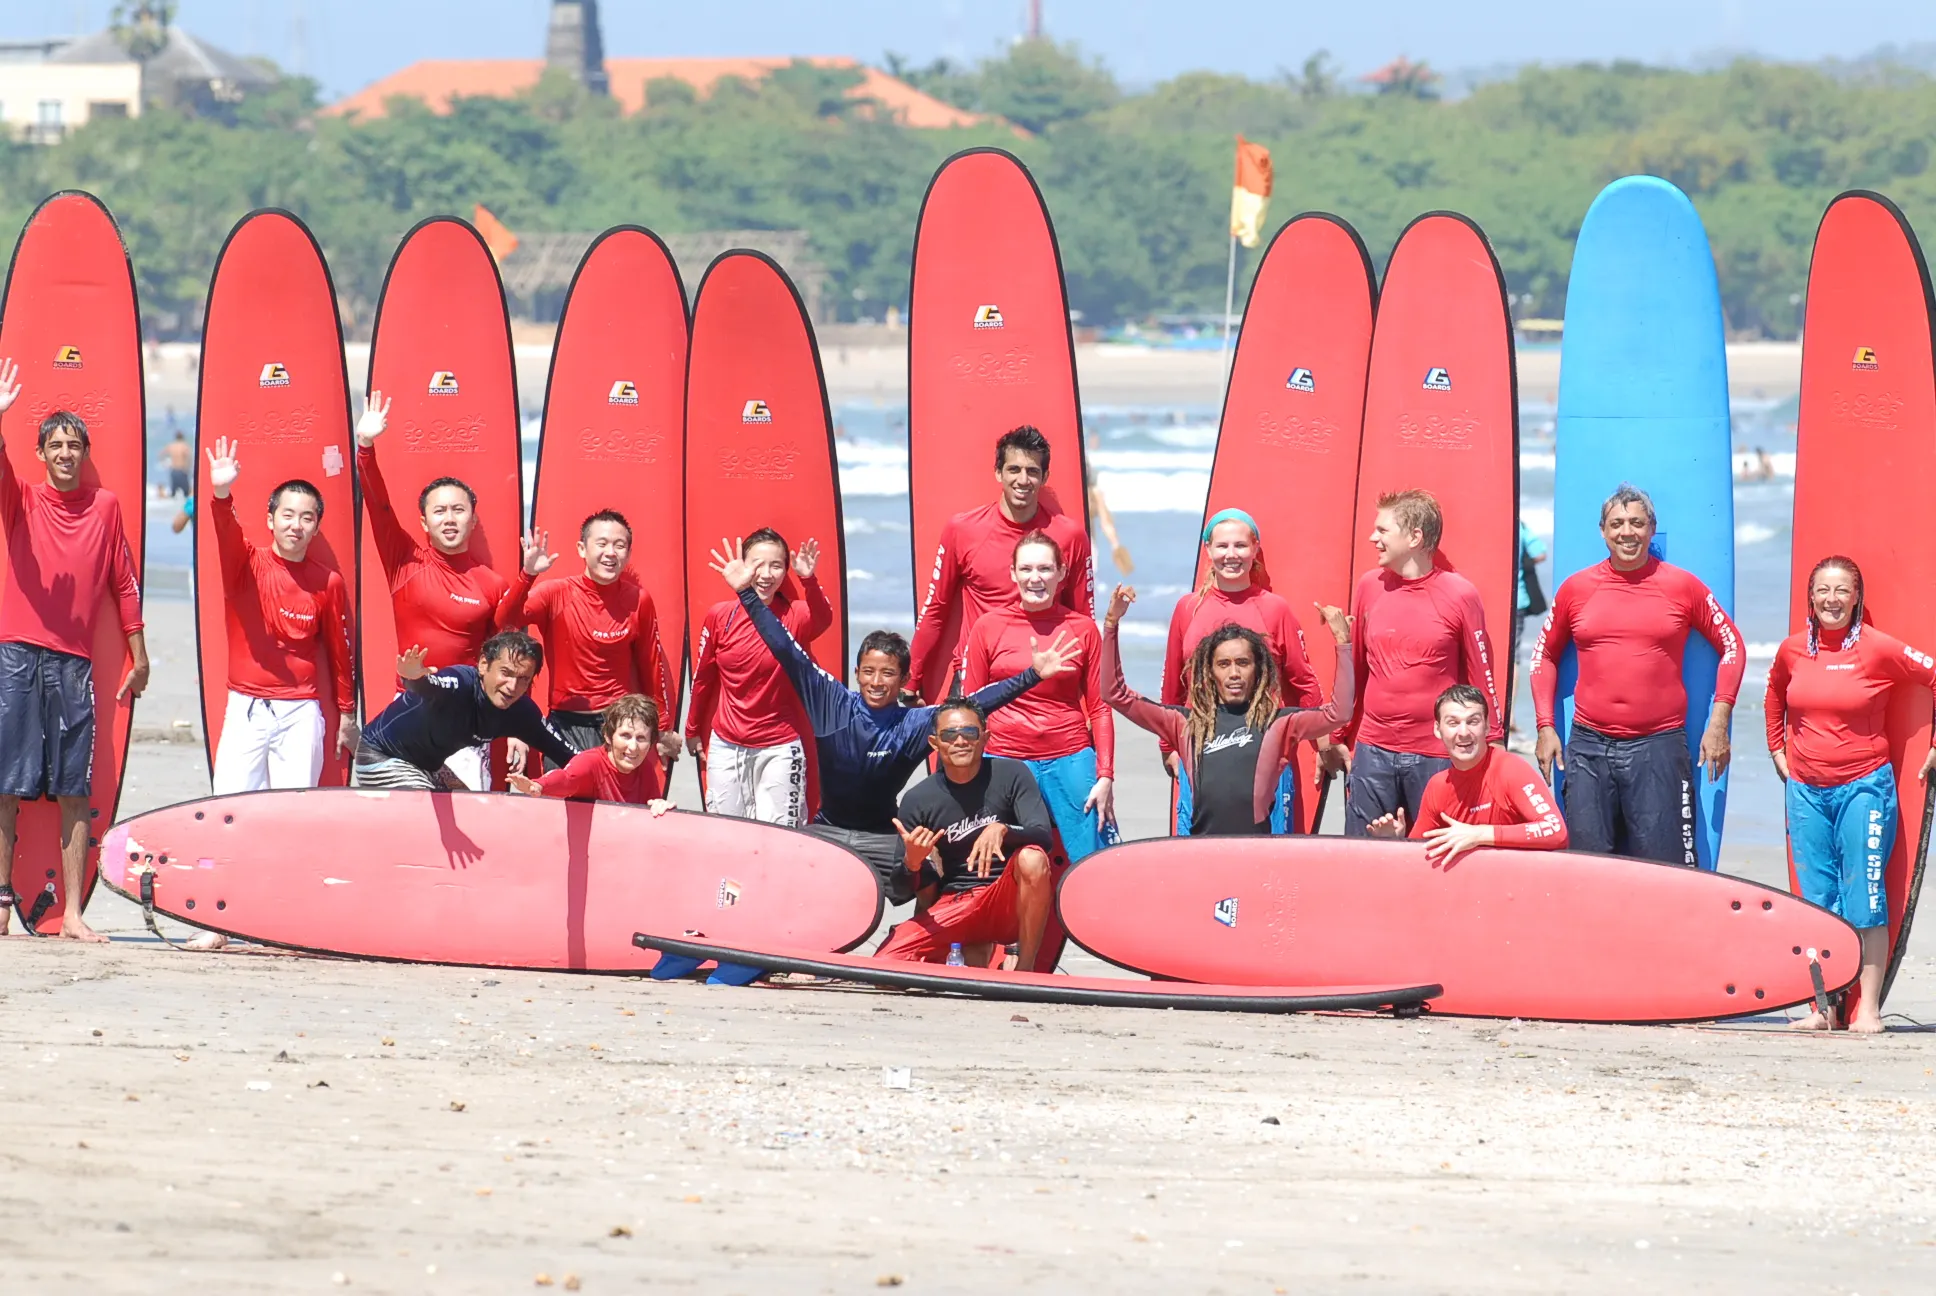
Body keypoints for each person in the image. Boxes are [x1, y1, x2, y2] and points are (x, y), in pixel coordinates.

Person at [708, 540, 1075, 902]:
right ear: (856, 674)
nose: (876, 682)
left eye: (887, 674)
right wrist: (746, 594)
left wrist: (1032, 676)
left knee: (928, 873)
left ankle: (923, 936)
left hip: (883, 836)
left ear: (903, 680)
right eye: (868, 672)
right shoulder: (831, 701)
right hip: (828, 830)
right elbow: (786, 648)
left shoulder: (912, 725)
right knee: (786, 868)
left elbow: (974, 704)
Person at [0, 360, 147, 941]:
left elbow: (124, 583)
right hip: (16, 656)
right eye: (56, 445)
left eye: (74, 445)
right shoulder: (22, 501)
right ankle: (1, 903)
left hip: (73, 663)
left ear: (85, 453)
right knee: (6, 785)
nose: (65, 453)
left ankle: (74, 915)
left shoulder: (105, 507)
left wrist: (140, 655)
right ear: (41, 453)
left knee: (73, 790)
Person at [1530, 484, 1743, 866]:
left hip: (1658, 747)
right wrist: (1546, 727)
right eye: (1617, 524)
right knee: (1586, 868)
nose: (1627, 532)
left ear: (1651, 528)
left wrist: (1719, 722)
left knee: (1666, 872)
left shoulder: (1682, 586)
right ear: (1602, 531)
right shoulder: (1576, 589)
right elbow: (1543, 655)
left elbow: (1733, 646)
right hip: (1589, 747)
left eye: (1636, 523)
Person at [1765, 556, 1936, 1033]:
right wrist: (1777, 749)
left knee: (1865, 897)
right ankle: (1824, 1008)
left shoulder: (1877, 649)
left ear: (1857, 596)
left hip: (1863, 787)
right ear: (1811, 596)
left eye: (1842, 590)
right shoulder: (1792, 650)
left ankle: (1869, 1009)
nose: (1832, 599)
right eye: (1823, 590)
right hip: (1805, 792)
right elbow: (1774, 695)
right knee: (1817, 902)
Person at [356, 392, 555, 790]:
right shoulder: (404, 561)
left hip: (466, 721)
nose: (449, 518)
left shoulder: (492, 583)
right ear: (424, 522)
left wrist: (527, 576)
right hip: (412, 710)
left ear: (473, 519)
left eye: (458, 510)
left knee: (465, 818)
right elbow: (378, 506)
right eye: (440, 511)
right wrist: (365, 446)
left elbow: (510, 652)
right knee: (407, 815)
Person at [1325, 488, 1503, 837]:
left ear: (1414, 537)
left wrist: (1493, 744)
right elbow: (1356, 669)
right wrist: (1336, 734)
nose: (1373, 538)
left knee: (1433, 854)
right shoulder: (1369, 587)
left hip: (1436, 753)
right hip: (1373, 749)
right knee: (1362, 855)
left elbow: (1482, 676)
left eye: (1382, 530)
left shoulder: (1460, 594)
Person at [1105, 584, 1352, 835]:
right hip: (1203, 852)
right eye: (1223, 664)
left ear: (1258, 670)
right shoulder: (1185, 724)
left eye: (1243, 663)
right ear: (1210, 672)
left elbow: (1339, 713)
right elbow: (1115, 694)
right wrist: (1111, 625)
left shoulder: (1278, 724)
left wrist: (1344, 644)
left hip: (1257, 852)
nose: (1234, 673)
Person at [203, 437, 357, 793]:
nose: (296, 525)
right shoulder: (245, 565)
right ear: (270, 520)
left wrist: (347, 714)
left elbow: (339, 651)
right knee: (231, 807)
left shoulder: (328, 582)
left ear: (316, 527)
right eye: (287, 515)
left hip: (300, 713)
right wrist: (222, 493)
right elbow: (226, 530)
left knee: (293, 811)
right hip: (246, 708)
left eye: (306, 518)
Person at [1163, 508, 1327, 831]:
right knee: (1195, 852)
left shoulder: (1275, 609)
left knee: (1271, 853)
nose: (1231, 555)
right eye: (1222, 546)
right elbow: (1173, 685)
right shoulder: (1187, 608)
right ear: (1208, 549)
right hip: (1202, 749)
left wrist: (1322, 743)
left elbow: (1305, 682)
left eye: (1240, 545)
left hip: (1266, 750)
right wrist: (1167, 747)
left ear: (1255, 549)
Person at [876, 699, 1064, 972]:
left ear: (985, 738)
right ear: (934, 743)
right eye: (949, 735)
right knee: (885, 966)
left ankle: (1025, 968)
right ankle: (972, 948)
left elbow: (1043, 835)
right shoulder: (918, 799)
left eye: (970, 732)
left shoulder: (1011, 774)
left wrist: (1003, 829)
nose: (960, 741)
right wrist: (912, 863)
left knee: (1032, 858)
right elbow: (900, 889)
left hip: (1008, 898)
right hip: (959, 901)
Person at [907, 426, 1094, 700]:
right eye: (1014, 469)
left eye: (1032, 471)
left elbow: (1083, 620)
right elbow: (936, 609)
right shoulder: (963, 530)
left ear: (1044, 477)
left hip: (1044, 676)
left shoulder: (1070, 536)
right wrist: (910, 682)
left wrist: (1091, 700)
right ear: (998, 473)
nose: (1023, 479)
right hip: (977, 676)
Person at [960, 530, 1114, 860]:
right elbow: (970, 708)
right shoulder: (988, 627)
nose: (1035, 578)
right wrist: (966, 777)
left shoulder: (1083, 629)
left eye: (1045, 568)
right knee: (1002, 859)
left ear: (1061, 573)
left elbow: (1100, 708)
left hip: (1070, 753)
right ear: (1013, 573)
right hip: (1004, 757)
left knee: (1095, 858)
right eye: (1026, 569)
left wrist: (1105, 776)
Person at [510, 508, 677, 773]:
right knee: (562, 797)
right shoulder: (555, 593)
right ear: (582, 549)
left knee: (615, 800)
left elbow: (651, 666)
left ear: (628, 554)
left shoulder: (639, 600)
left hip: (618, 727)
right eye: (602, 543)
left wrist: (663, 727)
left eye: (619, 545)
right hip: (564, 725)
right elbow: (506, 620)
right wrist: (527, 575)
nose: (610, 552)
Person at [685, 529, 832, 826]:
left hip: (780, 747)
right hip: (727, 744)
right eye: (757, 565)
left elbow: (823, 618)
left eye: (776, 565)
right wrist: (692, 729)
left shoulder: (795, 615)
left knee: (780, 836)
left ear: (785, 571)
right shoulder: (720, 615)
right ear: (743, 566)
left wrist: (808, 579)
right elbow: (703, 678)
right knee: (726, 833)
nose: (766, 575)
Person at [1366, 684, 1568, 863]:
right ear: (1437, 729)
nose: (1463, 733)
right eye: (1453, 723)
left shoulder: (1511, 770)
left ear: (1487, 727)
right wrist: (1395, 841)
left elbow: (1556, 831)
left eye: (1473, 721)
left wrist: (1479, 835)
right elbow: (1420, 855)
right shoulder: (1438, 786)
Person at [352, 630, 575, 790]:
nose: (512, 686)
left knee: (471, 811)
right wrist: (412, 677)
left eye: (523, 679)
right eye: (506, 673)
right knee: (422, 812)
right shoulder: (460, 683)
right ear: (483, 665)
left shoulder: (521, 712)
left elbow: (568, 756)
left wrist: (595, 768)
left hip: (427, 765)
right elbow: (428, 686)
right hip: (380, 754)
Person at [507, 694, 675, 814]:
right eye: (625, 736)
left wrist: (660, 806)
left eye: (641, 738)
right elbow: (566, 779)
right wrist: (538, 785)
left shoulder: (645, 769)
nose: (633, 747)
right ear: (608, 736)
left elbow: (651, 809)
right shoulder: (591, 762)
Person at [161, 429, 191, 498]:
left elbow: (161, 454)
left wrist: (165, 463)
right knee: (186, 493)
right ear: (183, 437)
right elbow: (188, 458)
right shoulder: (184, 446)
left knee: (173, 493)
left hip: (173, 471)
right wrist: (187, 468)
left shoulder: (171, 446)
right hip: (182, 470)